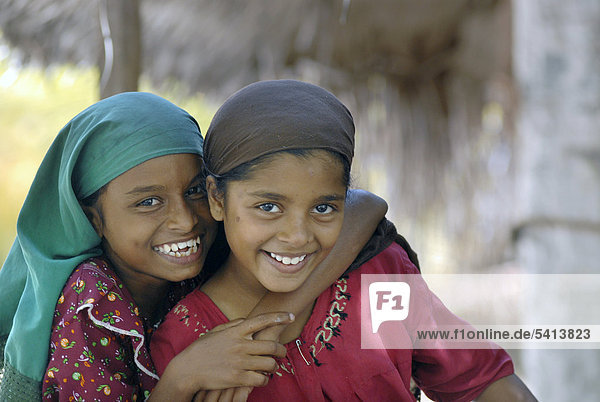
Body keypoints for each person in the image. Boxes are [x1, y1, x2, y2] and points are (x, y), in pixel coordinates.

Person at [151, 80, 537, 401]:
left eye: (323, 208)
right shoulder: (185, 342)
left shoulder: (379, 276)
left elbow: (484, 380)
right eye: (268, 207)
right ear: (218, 198)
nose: (297, 235)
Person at [0, 92, 388, 401]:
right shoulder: (89, 301)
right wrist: (181, 379)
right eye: (148, 202)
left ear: (218, 195)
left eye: (196, 190)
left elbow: (364, 205)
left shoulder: (219, 254)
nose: (185, 220)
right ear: (93, 218)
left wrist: (270, 323)